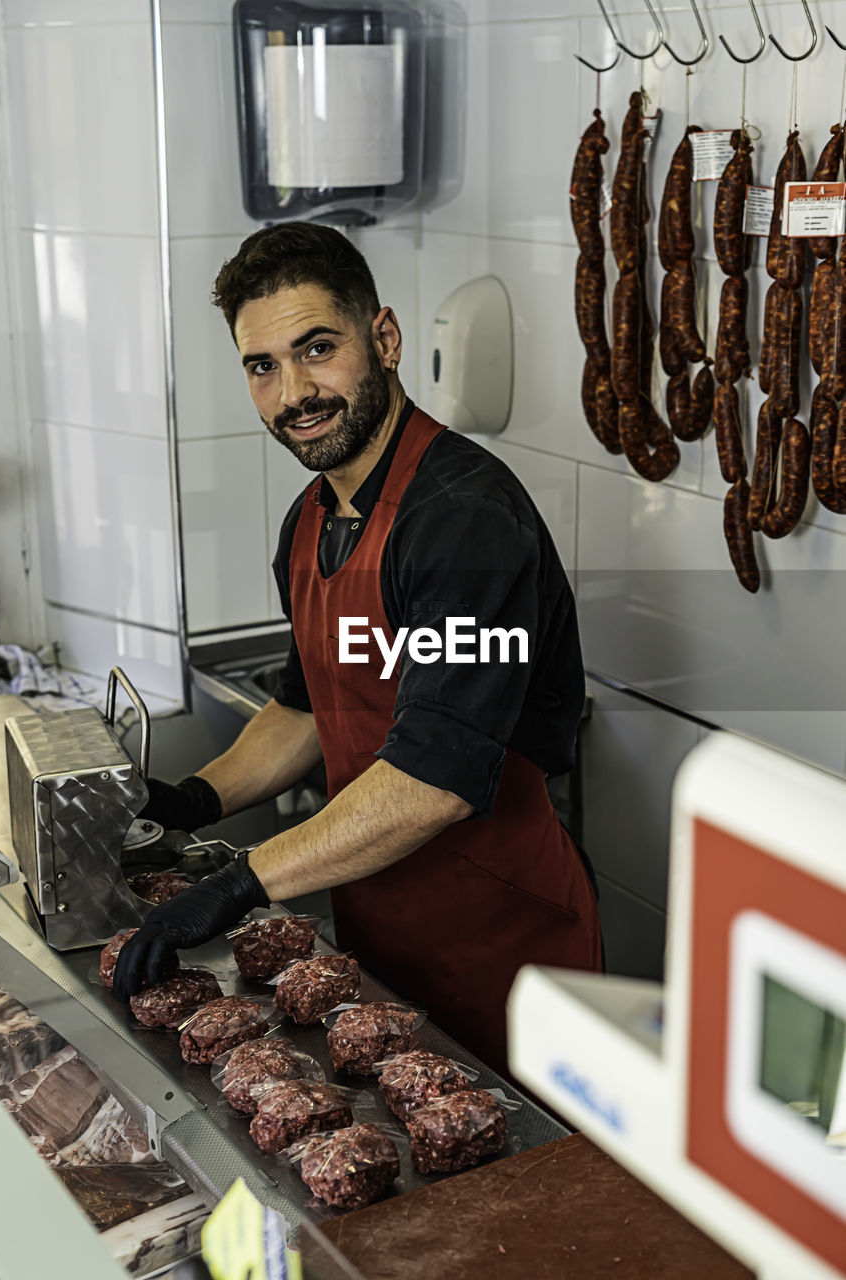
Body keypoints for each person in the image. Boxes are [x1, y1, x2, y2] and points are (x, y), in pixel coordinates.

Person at [114, 223, 602, 1074]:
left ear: (382, 339)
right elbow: (311, 704)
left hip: (502, 946)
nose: (294, 391)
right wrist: (186, 803)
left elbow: (435, 781)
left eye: (316, 349)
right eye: (262, 366)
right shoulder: (310, 522)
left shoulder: (461, 520)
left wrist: (239, 884)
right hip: (377, 931)